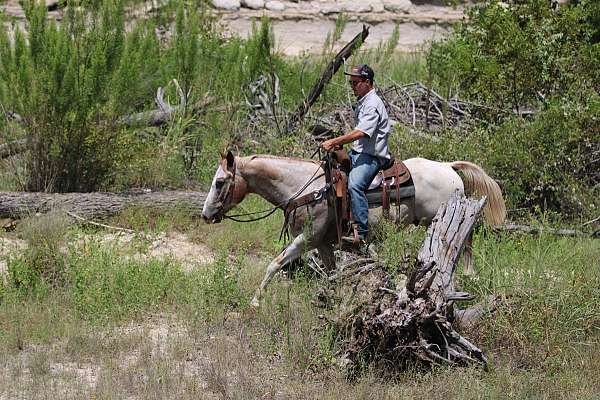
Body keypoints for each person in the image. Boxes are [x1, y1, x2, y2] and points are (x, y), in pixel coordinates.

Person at [321, 64, 391, 243]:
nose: (352, 86)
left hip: (372, 156)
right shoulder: (364, 101)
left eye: (355, 83)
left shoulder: (372, 104)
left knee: (354, 185)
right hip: (359, 152)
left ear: (367, 82)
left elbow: (362, 132)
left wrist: (335, 141)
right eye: (351, 83)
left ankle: (362, 232)